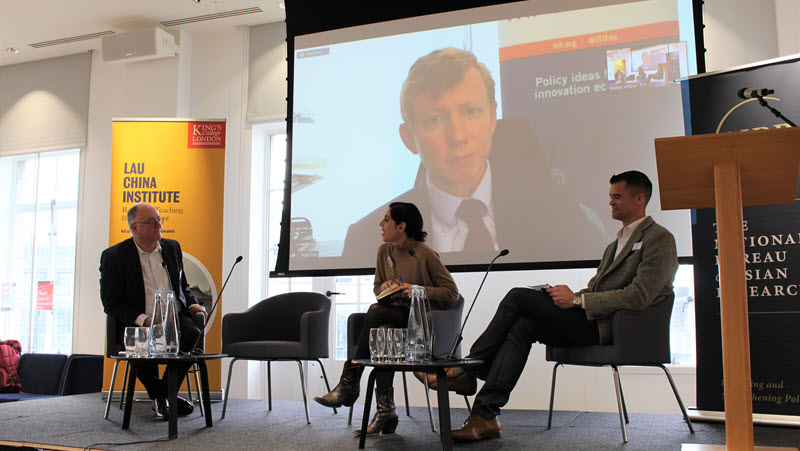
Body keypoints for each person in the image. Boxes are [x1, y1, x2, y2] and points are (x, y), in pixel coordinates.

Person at [417, 171, 678, 441]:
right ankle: (485, 416)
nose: (611, 202)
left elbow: (639, 295)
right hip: (592, 319)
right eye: (610, 197)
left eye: (617, 197)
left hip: (614, 328)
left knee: (518, 297)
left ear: (639, 199)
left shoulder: (659, 239)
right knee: (523, 326)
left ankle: (467, 370)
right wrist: (567, 295)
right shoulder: (615, 244)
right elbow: (598, 289)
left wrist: (578, 300)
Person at [342, 47, 604, 263]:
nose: (458, 136)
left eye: (470, 112)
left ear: (492, 119)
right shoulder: (367, 239)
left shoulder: (559, 211)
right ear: (409, 138)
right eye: (435, 119)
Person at [314, 202, 459, 436]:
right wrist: (386, 288)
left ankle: (349, 382)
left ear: (401, 226)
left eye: (386, 220)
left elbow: (452, 293)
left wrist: (417, 289)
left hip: (418, 322)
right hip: (392, 314)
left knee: (376, 315)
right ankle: (385, 410)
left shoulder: (424, 254)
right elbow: (376, 288)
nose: (381, 225)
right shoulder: (384, 251)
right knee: (381, 328)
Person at [100, 202, 207, 419]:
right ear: (134, 228)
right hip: (140, 322)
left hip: (174, 318)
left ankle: (162, 395)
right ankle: (163, 396)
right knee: (140, 347)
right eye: (151, 222)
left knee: (192, 336)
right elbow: (110, 302)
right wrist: (145, 320)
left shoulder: (171, 247)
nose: (158, 224)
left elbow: (182, 285)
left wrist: (192, 302)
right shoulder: (114, 256)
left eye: (159, 219)